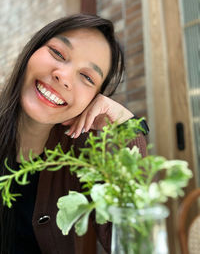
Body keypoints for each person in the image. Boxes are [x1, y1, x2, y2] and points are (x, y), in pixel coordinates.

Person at [0, 14, 147, 254]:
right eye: (58, 53)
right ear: (32, 52)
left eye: (88, 77)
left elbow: (133, 245)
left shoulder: (84, 157)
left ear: (93, 100)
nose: (63, 77)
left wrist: (127, 128)